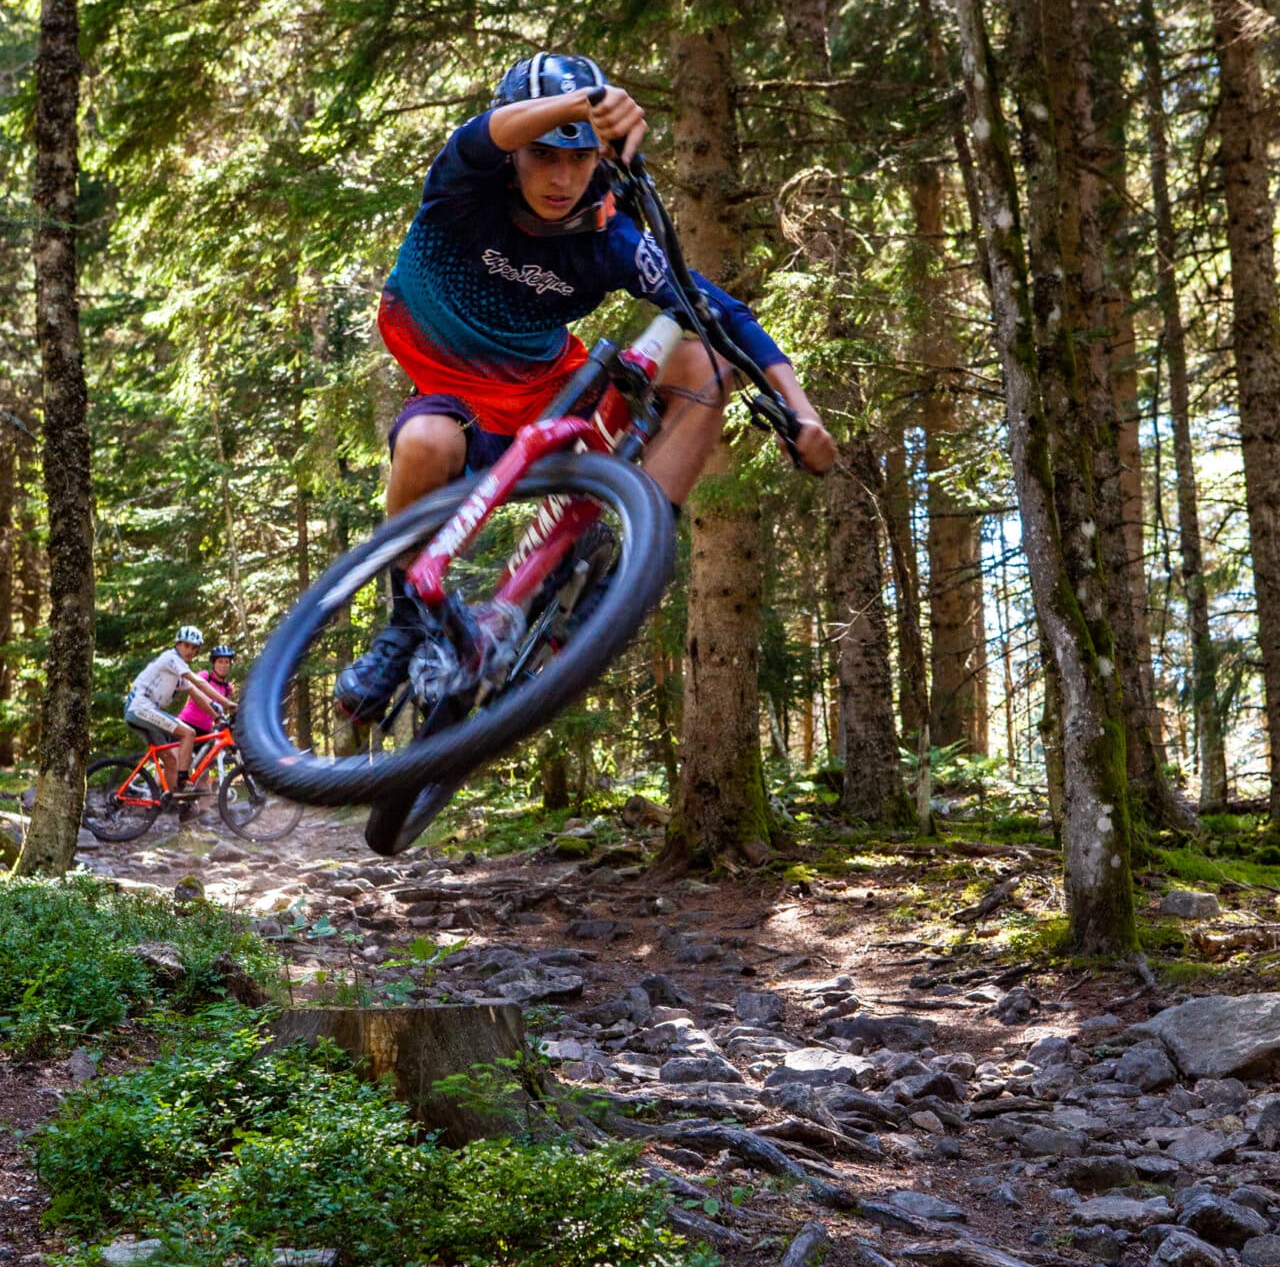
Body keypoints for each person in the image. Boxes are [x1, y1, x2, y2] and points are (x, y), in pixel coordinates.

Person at [335, 51, 836, 724]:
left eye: (579, 158)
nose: (562, 176)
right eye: (544, 155)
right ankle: (404, 626)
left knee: (703, 365)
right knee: (422, 444)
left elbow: (721, 313)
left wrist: (800, 413)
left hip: (549, 391)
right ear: (517, 153)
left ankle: (627, 544)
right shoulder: (464, 190)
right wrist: (585, 106)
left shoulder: (611, 238)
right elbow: (488, 132)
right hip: (455, 395)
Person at [124, 627, 230, 797]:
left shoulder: (177, 672)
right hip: (140, 708)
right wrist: (228, 703)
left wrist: (216, 715)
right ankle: (183, 780)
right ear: (178, 644)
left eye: (194, 648)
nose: (190, 651)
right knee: (188, 733)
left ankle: (170, 801)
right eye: (187, 646)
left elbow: (197, 695)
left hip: (142, 711)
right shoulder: (171, 659)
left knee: (170, 759)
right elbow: (199, 683)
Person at [174, 646, 237, 791]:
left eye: (227, 662)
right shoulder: (204, 676)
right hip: (186, 725)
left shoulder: (228, 688)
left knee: (203, 769)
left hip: (205, 732)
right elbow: (196, 695)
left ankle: (200, 808)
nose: (223, 665)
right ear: (213, 664)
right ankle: (149, 793)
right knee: (176, 765)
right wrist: (213, 706)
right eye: (220, 662)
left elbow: (222, 711)